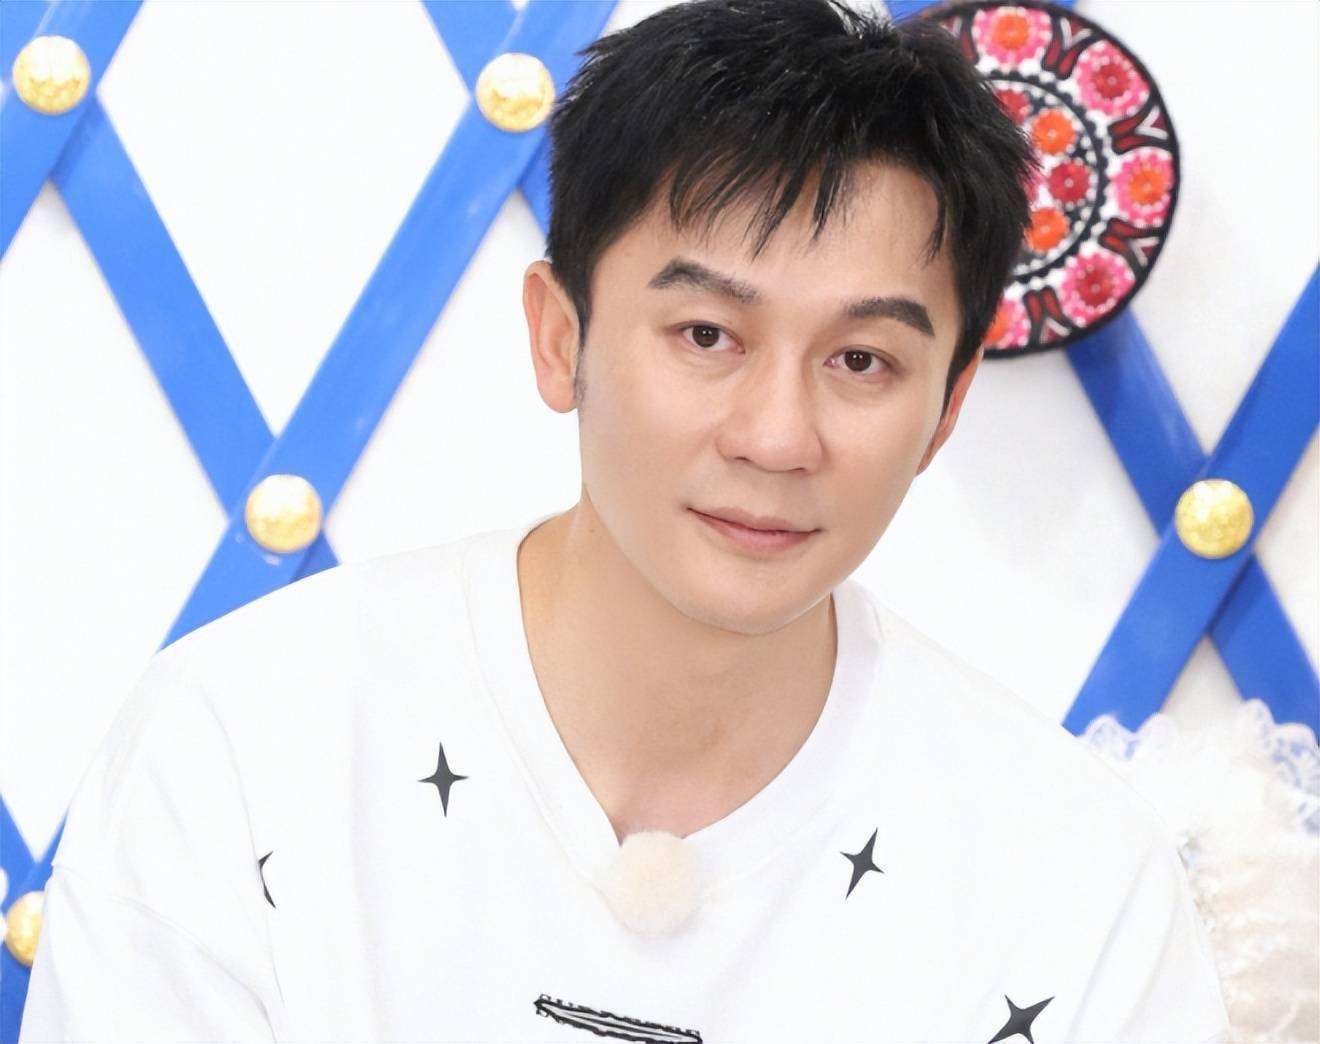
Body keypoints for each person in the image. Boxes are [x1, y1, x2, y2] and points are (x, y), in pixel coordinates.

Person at [19, 0, 1231, 1040]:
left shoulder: (1072, 875)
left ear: (947, 410)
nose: (777, 436)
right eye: (707, 334)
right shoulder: (241, 748)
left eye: (862, 360)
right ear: (561, 338)